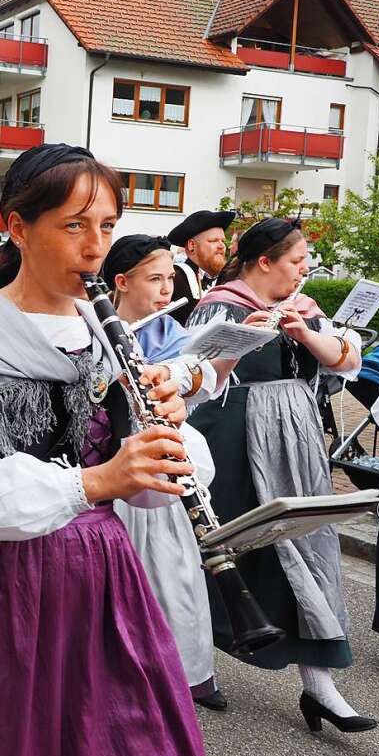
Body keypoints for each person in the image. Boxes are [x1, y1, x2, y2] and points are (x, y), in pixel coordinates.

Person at [0, 144, 209, 756]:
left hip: (106, 574)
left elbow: (150, 495)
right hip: (7, 581)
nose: (95, 247)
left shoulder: (102, 329)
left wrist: (162, 444)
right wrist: (97, 482)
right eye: (74, 226)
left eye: (105, 226)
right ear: (18, 226)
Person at [186, 217, 376, 734]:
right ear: (265, 262)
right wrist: (248, 338)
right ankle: (189, 666)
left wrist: (301, 332)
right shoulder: (221, 305)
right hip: (235, 439)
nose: (304, 271)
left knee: (311, 549)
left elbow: (345, 361)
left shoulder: (306, 309)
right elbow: (193, 375)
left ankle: (321, 688)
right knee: (222, 554)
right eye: (296, 262)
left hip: (298, 442)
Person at [99, 233, 236, 712]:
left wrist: (187, 374)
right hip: (116, 467)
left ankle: (189, 670)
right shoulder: (89, 328)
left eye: (169, 279)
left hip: (169, 462)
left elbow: (204, 375)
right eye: (154, 279)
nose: (164, 290)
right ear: (121, 282)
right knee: (125, 572)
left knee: (176, 570)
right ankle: (125, 671)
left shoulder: (167, 331)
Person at [166, 210, 235, 324]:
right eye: (213, 241)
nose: (221, 246)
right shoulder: (175, 279)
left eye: (223, 241)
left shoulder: (227, 278)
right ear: (192, 245)